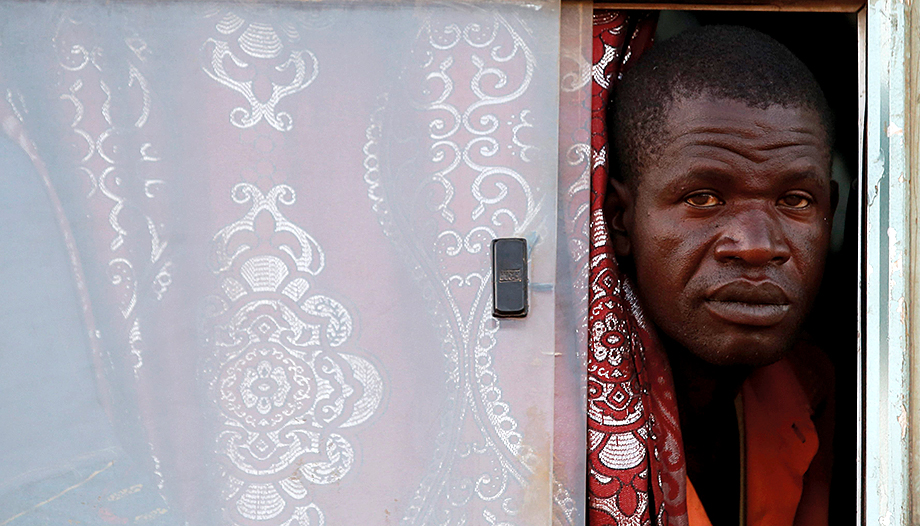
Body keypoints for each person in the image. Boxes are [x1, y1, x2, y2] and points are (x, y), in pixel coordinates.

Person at [588, 25, 837, 526]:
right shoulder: (552, 404)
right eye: (703, 198)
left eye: (795, 200)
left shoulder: (812, 387)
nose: (756, 246)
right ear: (619, 219)